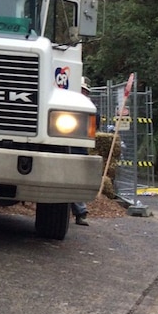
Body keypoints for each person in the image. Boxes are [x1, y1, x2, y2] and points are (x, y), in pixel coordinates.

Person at [72, 76, 93, 226]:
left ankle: (81, 212)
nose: (82, 93)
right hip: (64, 147)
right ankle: (79, 211)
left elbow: (95, 123)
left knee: (76, 181)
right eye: (81, 90)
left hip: (79, 150)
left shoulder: (89, 108)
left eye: (84, 91)